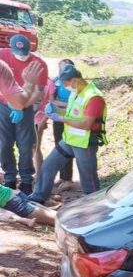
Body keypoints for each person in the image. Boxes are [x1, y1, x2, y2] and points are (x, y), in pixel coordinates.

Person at [29, 65, 107, 204]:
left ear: (74, 80)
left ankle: (96, 206)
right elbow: (71, 113)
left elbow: (86, 124)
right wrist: (56, 111)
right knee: (48, 166)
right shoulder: (75, 93)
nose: (65, 87)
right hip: (69, 141)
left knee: (88, 179)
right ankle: (38, 198)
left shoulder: (94, 97)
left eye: (65, 84)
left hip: (85, 143)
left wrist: (61, 119)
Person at [0, 34, 49, 194]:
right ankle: (10, 179)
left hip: (26, 106)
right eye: (18, 53)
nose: (22, 57)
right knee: (4, 144)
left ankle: (27, 181)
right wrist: (11, 102)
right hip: (3, 104)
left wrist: (21, 107)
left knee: (26, 145)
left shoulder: (39, 63)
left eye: (25, 53)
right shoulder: (2, 56)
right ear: (11, 48)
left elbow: (38, 91)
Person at [51, 59, 75, 191]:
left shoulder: (76, 83)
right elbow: (50, 99)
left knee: (69, 146)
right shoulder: (55, 81)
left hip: (73, 119)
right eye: (61, 68)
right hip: (59, 119)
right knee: (59, 146)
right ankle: (63, 176)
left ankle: (68, 179)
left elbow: (78, 102)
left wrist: (59, 103)